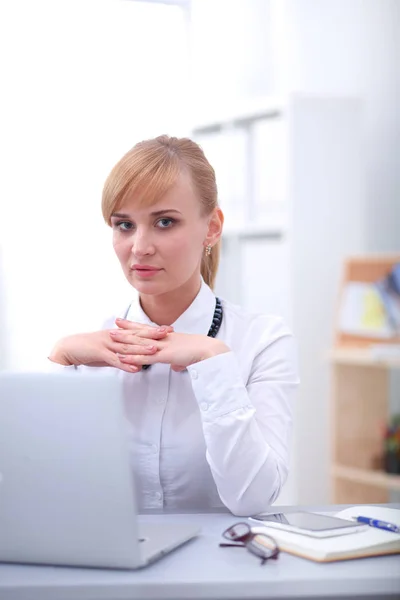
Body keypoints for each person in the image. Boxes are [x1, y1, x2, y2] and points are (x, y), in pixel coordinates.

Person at [49, 135, 299, 516]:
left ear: (212, 227)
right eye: (124, 225)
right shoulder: (85, 350)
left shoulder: (262, 341)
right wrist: (59, 361)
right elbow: (48, 494)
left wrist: (212, 359)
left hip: (224, 570)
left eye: (164, 222)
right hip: (111, 571)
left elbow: (252, 498)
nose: (140, 247)